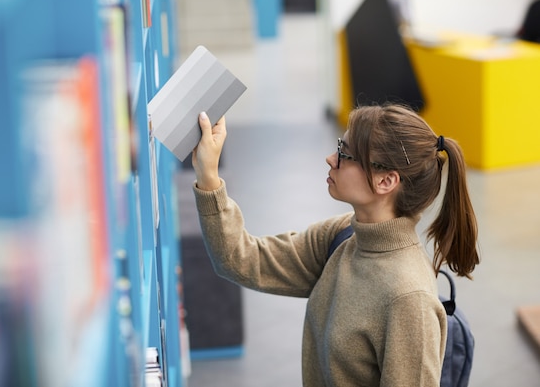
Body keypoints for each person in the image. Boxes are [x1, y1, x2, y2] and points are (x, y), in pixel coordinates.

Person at [191, 103, 480, 386]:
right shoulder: (343, 235)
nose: (330, 158)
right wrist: (208, 177)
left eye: (345, 153)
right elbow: (240, 259)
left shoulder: (409, 299)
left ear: (386, 180)